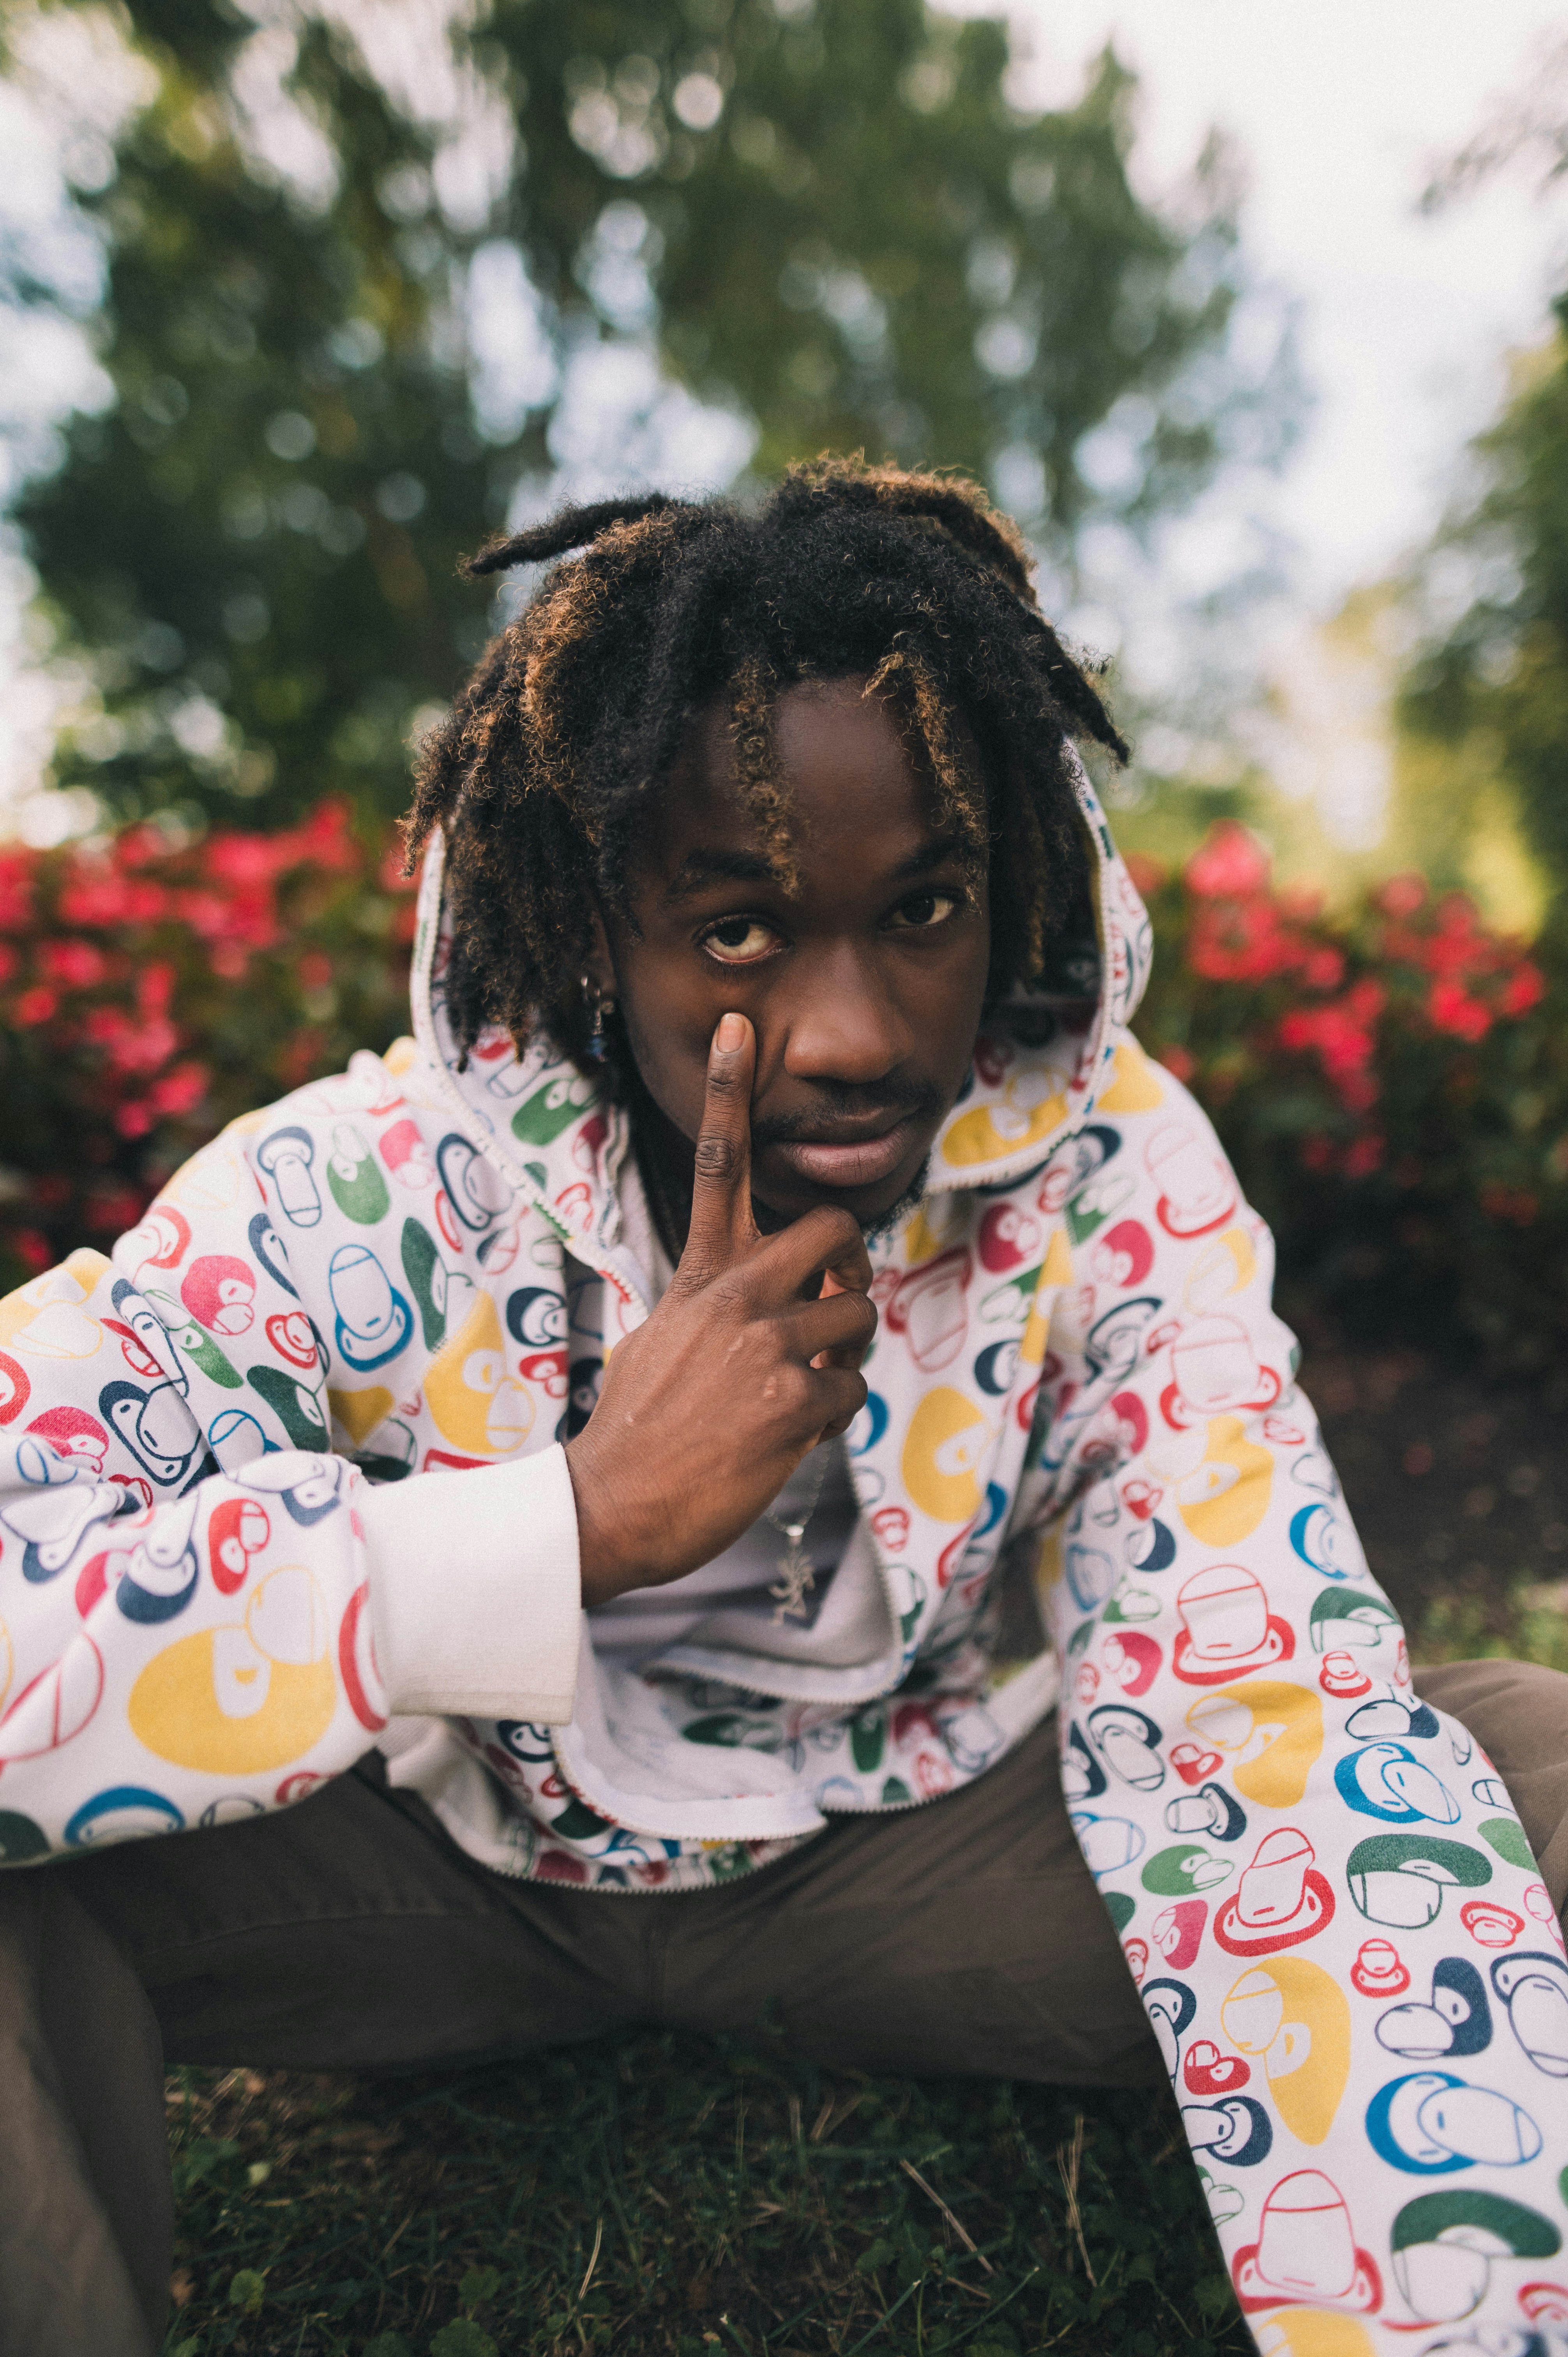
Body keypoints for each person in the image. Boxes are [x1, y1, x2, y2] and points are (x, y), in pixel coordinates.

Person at [1, 458, 1564, 2357]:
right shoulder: (361, 1192)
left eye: (922, 909)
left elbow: (1261, 1692)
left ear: (1014, 890)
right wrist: (569, 1521)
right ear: (596, 930)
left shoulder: (1108, 1174)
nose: (855, 1033)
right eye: (739, 929)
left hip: (897, 1856)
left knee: (1508, 1760)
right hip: (445, 1876)